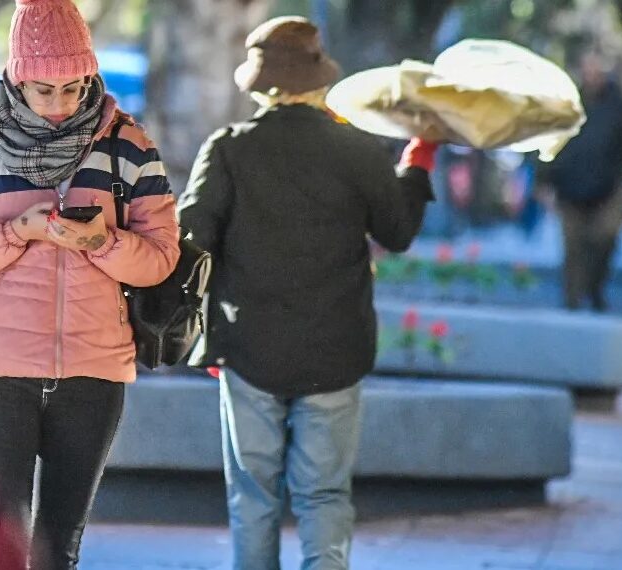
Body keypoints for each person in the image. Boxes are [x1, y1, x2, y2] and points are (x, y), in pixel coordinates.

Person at [0, 1, 181, 568]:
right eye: (44, 90)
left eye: (73, 88)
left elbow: (162, 259)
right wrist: (18, 231)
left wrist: (101, 242)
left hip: (94, 367)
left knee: (59, 544)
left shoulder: (129, 145)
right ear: (18, 81)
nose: (60, 103)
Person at [177, 16, 438, 570]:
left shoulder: (229, 149)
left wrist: (203, 331)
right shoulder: (357, 149)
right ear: (319, 77)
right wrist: (418, 161)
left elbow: (190, 239)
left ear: (260, 84)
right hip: (335, 351)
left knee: (253, 496)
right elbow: (397, 231)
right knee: (324, 495)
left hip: (248, 348)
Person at [545, 51, 622, 312]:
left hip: (608, 187)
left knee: (605, 239)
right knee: (573, 244)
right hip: (569, 186)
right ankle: (572, 297)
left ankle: (595, 289)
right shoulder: (568, 102)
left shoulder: (618, 104)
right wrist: (544, 180)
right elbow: (550, 140)